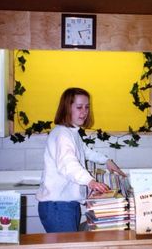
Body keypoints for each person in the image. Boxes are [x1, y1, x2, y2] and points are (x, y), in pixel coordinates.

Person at [36, 87, 126, 233]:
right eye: (79, 107)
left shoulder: (72, 133)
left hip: (66, 203)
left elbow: (85, 151)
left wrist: (107, 161)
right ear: (66, 108)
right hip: (57, 206)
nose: (84, 112)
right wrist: (90, 181)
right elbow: (68, 164)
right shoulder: (62, 134)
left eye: (87, 107)